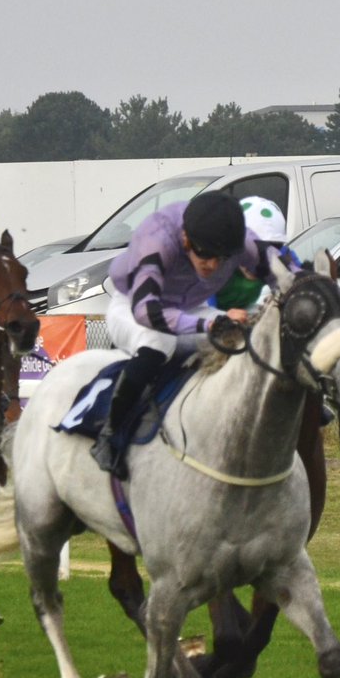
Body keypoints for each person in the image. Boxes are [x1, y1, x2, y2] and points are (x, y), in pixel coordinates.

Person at [92, 191, 292, 479]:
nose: (212, 265)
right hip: (134, 304)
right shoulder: (156, 240)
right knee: (160, 343)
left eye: (222, 258)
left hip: (188, 306)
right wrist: (206, 326)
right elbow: (147, 311)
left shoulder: (240, 244)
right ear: (185, 238)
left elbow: (284, 272)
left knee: (241, 338)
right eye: (204, 254)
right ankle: (110, 434)